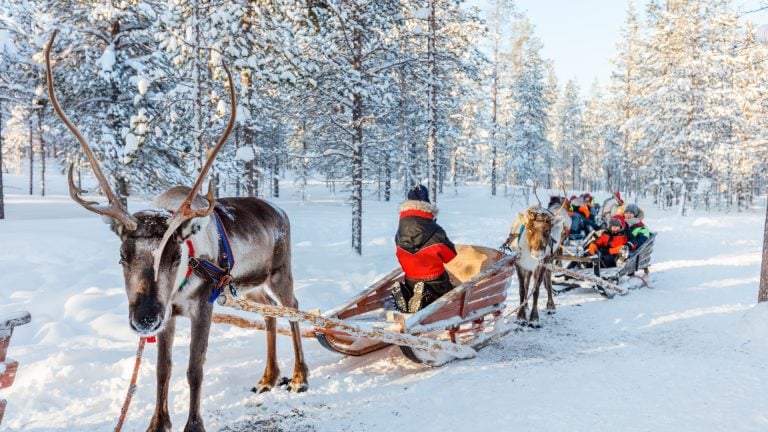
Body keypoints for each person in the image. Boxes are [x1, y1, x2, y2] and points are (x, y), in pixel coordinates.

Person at [392, 185, 457, 313]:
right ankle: (424, 296)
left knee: (414, 285)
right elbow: (450, 256)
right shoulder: (435, 231)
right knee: (447, 298)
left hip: (410, 279)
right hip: (436, 281)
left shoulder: (400, 232)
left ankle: (408, 295)